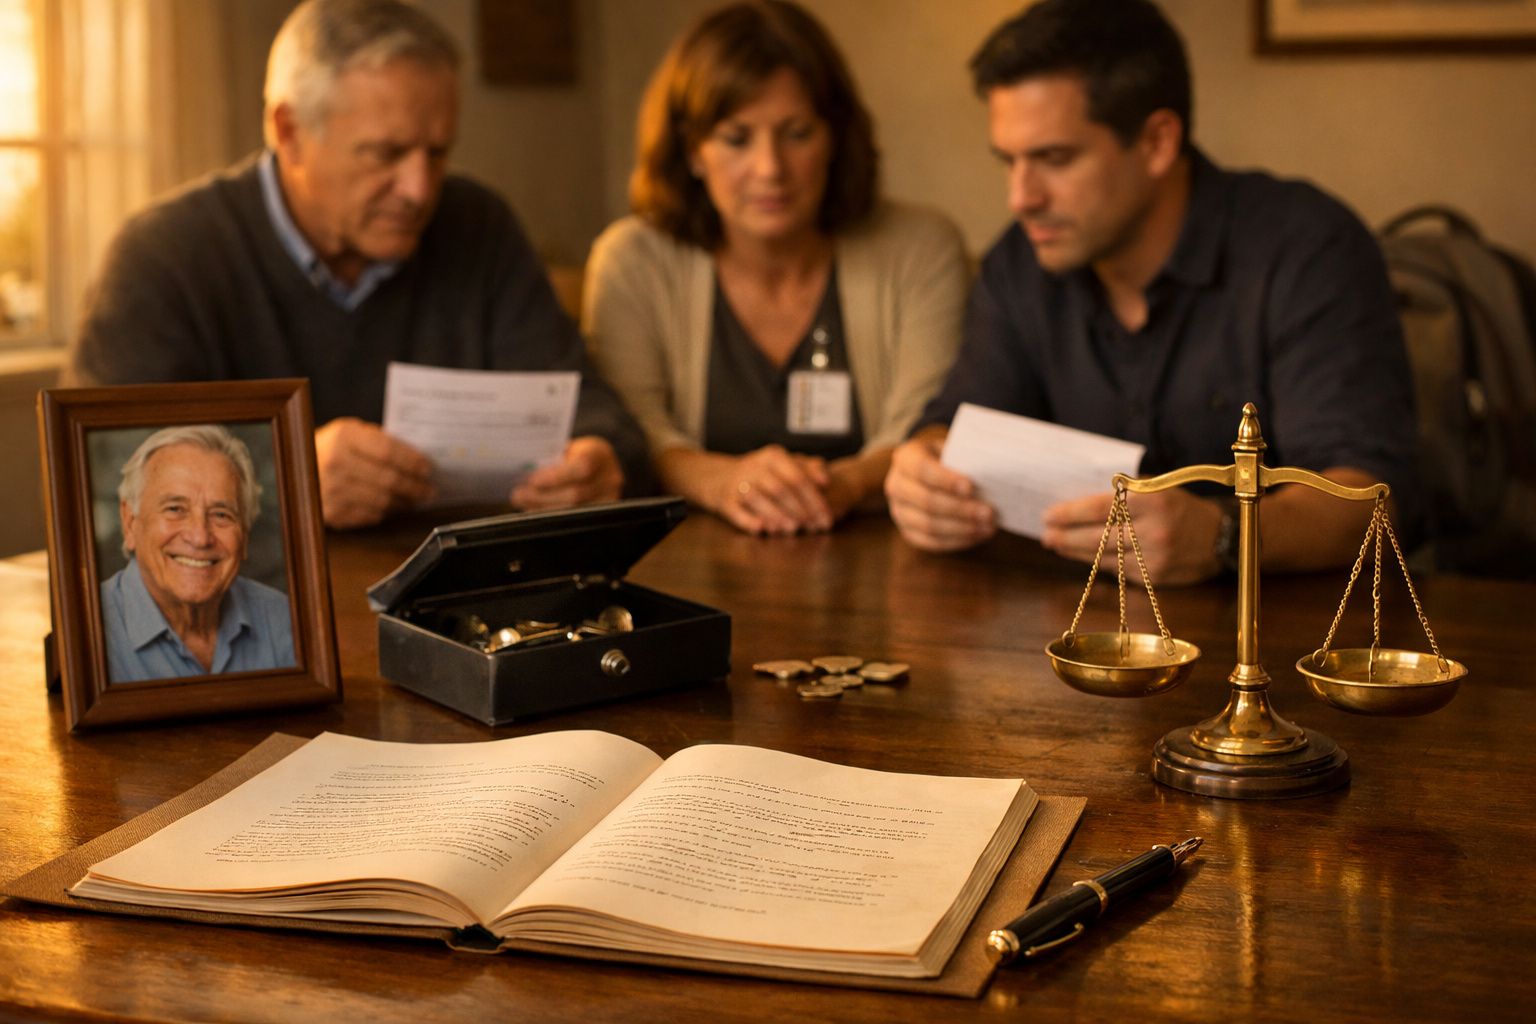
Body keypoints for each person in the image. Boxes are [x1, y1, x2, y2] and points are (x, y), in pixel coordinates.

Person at [885, 0, 1420, 583]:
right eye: (1008, 162)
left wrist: (1221, 536)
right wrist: (921, 474)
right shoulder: (1021, 262)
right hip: (1077, 625)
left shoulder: (1306, 249)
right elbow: (954, 427)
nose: (1021, 198)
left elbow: (1368, 501)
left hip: (1289, 628)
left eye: (1054, 159)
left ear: (1158, 142)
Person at [66, 0, 649, 530]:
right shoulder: (164, 257)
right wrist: (279, 482)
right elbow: (99, 485)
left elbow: (592, 407)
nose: (419, 189)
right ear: (289, 132)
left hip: (455, 595)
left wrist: (598, 456)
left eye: (437, 152)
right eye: (385, 153)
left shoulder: (480, 225)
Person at [584, 0, 967, 536]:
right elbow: (632, 431)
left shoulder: (922, 250)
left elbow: (928, 429)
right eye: (736, 138)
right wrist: (722, 481)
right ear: (692, 150)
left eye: (797, 133)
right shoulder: (631, 261)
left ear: (835, 137)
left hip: (886, 558)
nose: (770, 169)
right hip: (681, 559)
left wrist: (843, 486)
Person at [101, 426, 295, 683]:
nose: (200, 537)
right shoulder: (89, 630)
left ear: (245, 534)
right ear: (130, 523)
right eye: (175, 509)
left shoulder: (285, 620)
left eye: (221, 515)